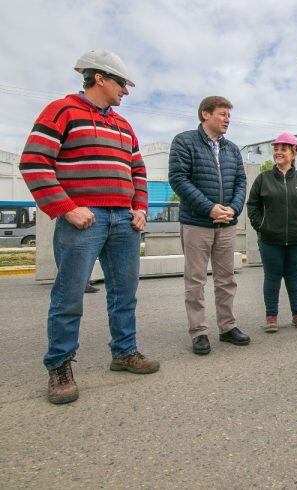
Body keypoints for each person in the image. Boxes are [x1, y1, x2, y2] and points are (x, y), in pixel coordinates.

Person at [20, 50, 160, 405]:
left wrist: (140, 208)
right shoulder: (62, 110)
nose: (125, 91)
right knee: (68, 298)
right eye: (122, 84)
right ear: (100, 78)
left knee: (124, 293)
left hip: (124, 221)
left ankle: (124, 352)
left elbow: (139, 172)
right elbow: (34, 162)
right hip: (84, 220)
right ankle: (60, 365)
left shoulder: (124, 126)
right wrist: (66, 208)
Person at [168, 96, 249, 356]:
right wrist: (209, 208)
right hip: (197, 224)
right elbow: (179, 179)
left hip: (226, 225)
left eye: (229, 115)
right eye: (222, 114)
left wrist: (234, 209)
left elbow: (240, 182)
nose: (227, 119)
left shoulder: (232, 149)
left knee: (226, 280)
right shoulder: (184, 141)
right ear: (205, 114)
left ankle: (227, 327)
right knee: (195, 281)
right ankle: (199, 332)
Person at [247, 133, 297, 332]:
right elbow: (252, 205)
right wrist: (260, 225)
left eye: (283, 149)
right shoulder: (264, 179)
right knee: (272, 277)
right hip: (270, 240)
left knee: (294, 277)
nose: (278, 152)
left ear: (294, 153)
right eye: (276, 149)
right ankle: (271, 317)